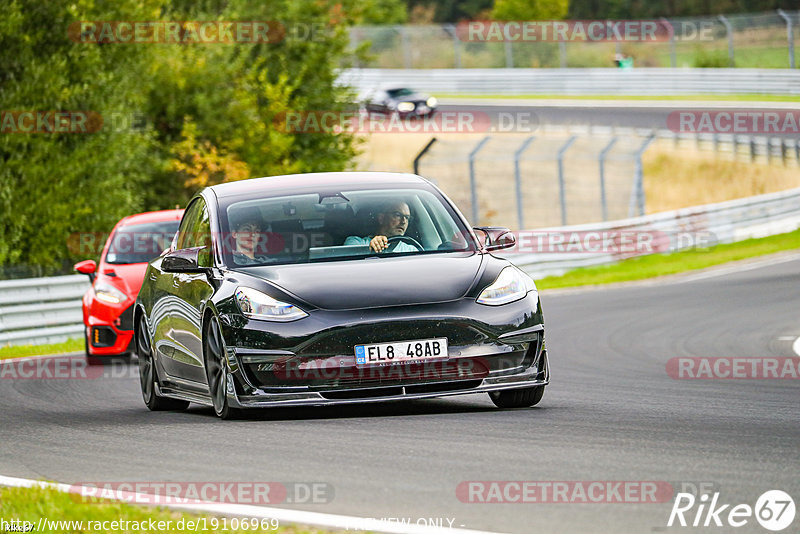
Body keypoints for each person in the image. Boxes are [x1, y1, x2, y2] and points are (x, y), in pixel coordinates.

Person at [344, 201, 419, 253]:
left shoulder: (411, 250)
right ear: (381, 218)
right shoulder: (355, 243)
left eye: (407, 217)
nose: (404, 221)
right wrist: (372, 248)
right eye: (398, 215)